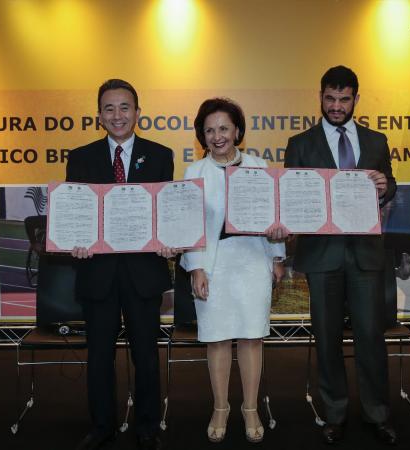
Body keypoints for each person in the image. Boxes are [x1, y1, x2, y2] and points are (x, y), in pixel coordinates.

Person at [275, 66, 398, 445]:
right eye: (330, 98)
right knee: (326, 339)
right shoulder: (300, 143)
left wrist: (384, 185)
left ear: (356, 99)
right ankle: (335, 412)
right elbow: (291, 195)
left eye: (344, 99)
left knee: (370, 338)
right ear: (320, 96)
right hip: (322, 255)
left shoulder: (376, 141)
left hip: (364, 253)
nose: (336, 106)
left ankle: (377, 413)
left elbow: (389, 185)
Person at [66, 79, 176, 450]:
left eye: (124, 107)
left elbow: (166, 213)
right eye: (109, 108)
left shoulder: (160, 155)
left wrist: (169, 242)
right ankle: (101, 427)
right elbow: (76, 215)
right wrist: (74, 244)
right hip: (97, 273)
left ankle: (147, 426)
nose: (117, 115)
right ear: (99, 115)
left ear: (138, 113)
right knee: (98, 356)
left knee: (145, 355)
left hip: (144, 273)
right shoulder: (80, 158)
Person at [180, 98, 285, 444]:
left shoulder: (259, 165)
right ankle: (221, 407)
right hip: (213, 265)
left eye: (224, 128)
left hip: (253, 261)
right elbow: (189, 226)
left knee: (252, 337)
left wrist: (278, 257)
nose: (217, 136)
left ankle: (251, 407)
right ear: (202, 136)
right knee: (218, 338)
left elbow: (274, 217)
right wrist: (196, 267)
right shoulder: (193, 173)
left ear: (237, 130)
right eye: (209, 130)